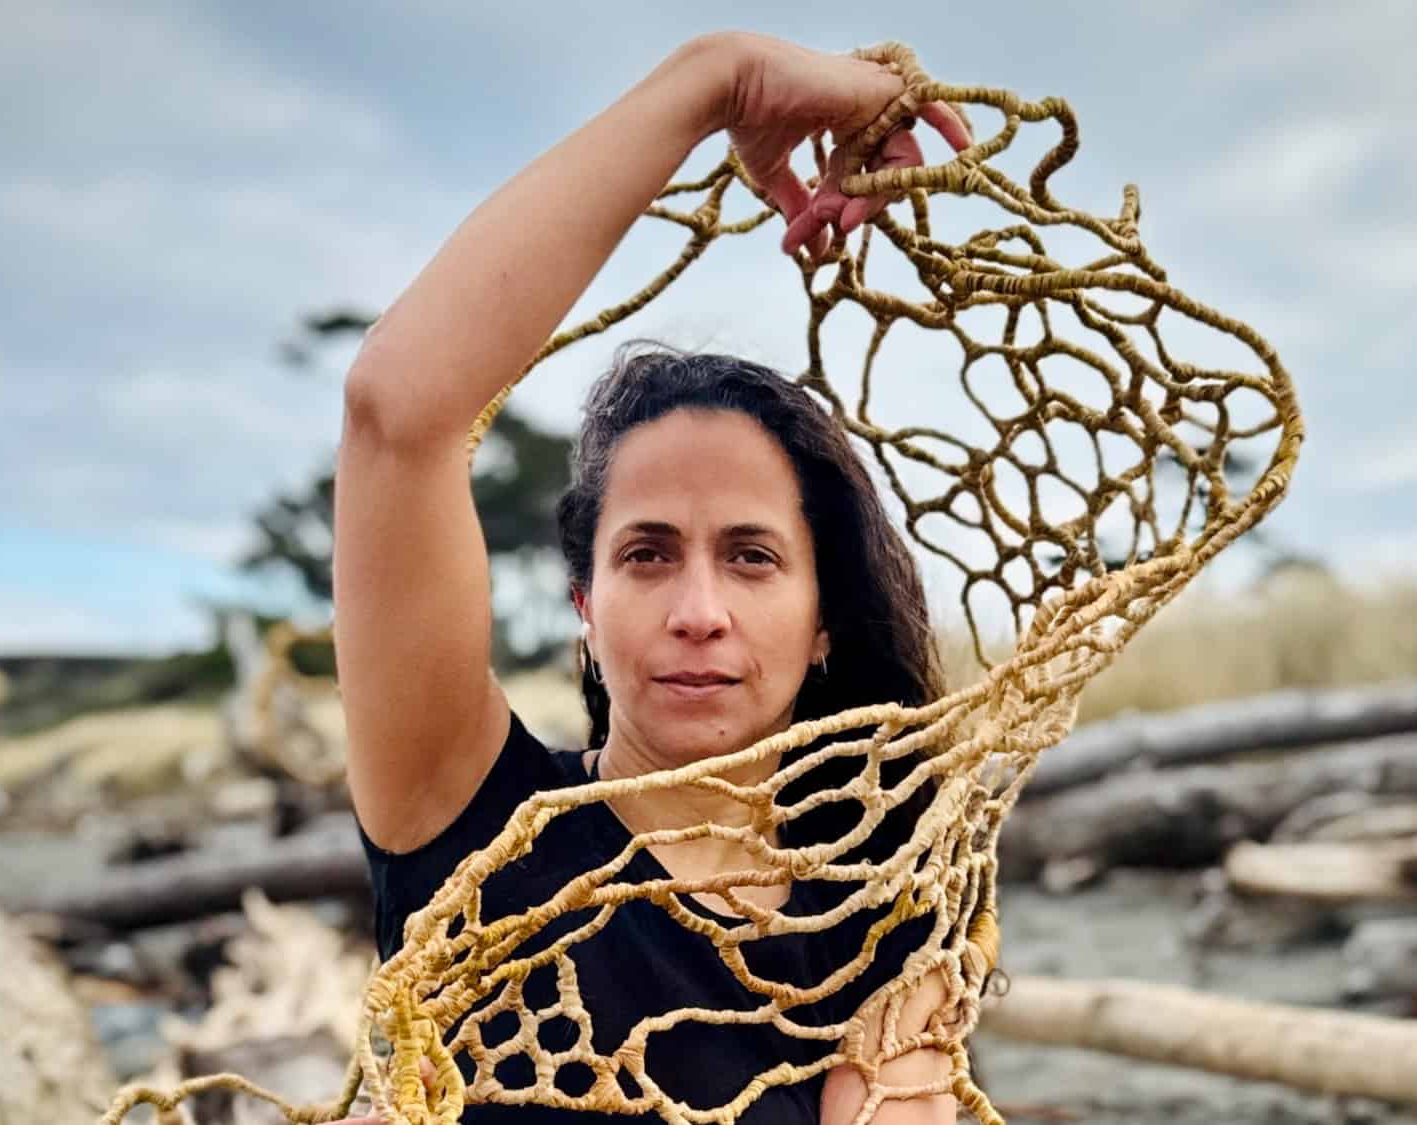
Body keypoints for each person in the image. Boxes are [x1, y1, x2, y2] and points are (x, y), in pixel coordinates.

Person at [326, 30, 973, 1125]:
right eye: (647, 553)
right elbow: (396, 411)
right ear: (585, 605)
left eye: (752, 557)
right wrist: (718, 80)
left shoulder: (882, 914)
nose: (698, 613)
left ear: (825, 616)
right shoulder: (472, 829)